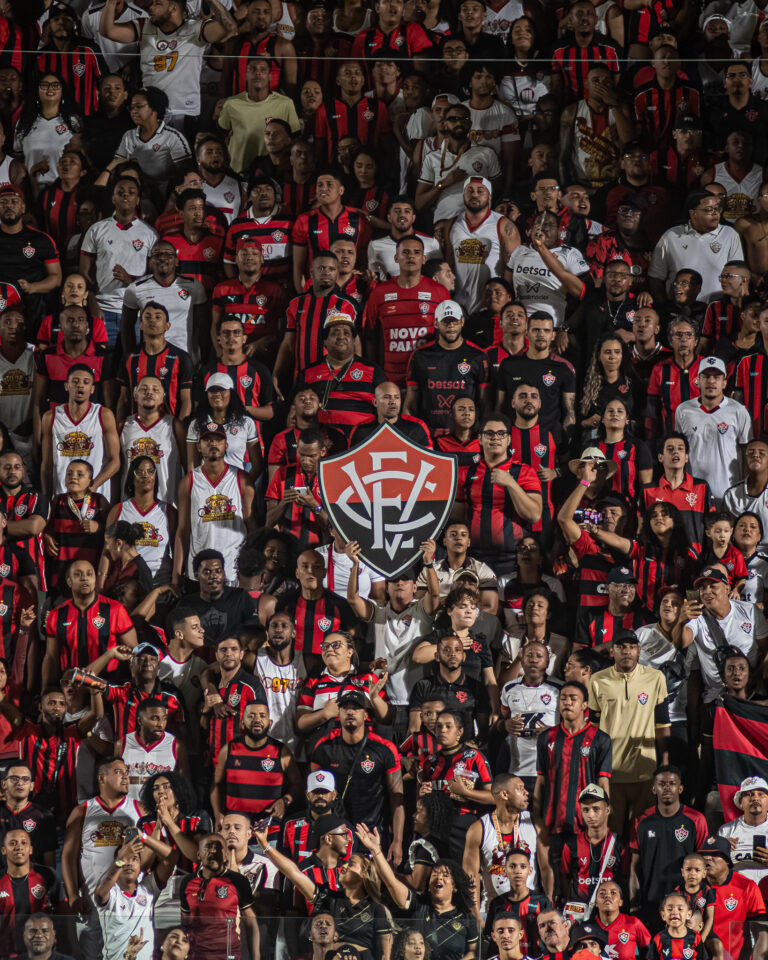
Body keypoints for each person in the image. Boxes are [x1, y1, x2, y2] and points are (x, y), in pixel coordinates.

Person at [589, 630, 670, 834]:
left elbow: (662, 725)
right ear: (612, 652)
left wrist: (665, 763)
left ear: (639, 651)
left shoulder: (655, 678)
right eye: (621, 647)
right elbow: (593, 728)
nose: (627, 651)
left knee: (642, 831)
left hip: (645, 769)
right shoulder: (597, 680)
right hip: (610, 771)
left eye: (632, 647)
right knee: (612, 832)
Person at [675, 355, 752, 503]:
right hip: (692, 493)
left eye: (716, 377)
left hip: (729, 492)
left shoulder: (738, 411)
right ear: (698, 381)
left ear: (724, 382)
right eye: (706, 376)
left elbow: (746, 452)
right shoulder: (683, 410)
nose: (711, 381)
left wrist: (745, 490)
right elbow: (679, 451)